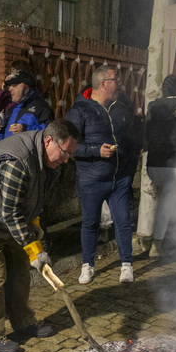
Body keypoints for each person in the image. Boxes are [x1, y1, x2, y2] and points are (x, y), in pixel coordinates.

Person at [0, 119, 79, 352]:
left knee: (19, 273)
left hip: (8, 219)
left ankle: (23, 323)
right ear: (48, 140)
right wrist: (35, 250)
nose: (66, 159)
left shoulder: (48, 160)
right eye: (65, 152)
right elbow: (8, 212)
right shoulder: (17, 161)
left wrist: (35, 229)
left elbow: (33, 199)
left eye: (71, 154)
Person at [67, 64, 142, 284]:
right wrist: (95, 151)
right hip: (91, 180)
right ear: (103, 84)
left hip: (119, 180)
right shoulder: (80, 110)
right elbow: (70, 146)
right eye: (115, 80)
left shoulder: (121, 107)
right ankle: (88, 265)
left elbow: (131, 140)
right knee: (90, 223)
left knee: (123, 222)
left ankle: (126, 265)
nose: (119, 83)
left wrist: (129, 170)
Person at [145, 74, 176, 256]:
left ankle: (159, 237)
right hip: (175, 167)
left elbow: (147, 135)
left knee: (163, 201)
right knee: (170, 204)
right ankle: (159, 244)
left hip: (153, 165)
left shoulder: (152, 106)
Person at [0, 72, 53, 142]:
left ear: (26, 87)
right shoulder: (11, 110)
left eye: (14, 85)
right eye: (10, 86)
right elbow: (2, 139)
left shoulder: (40, 106)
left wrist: (26, 129)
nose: (10, 89)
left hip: (29, 152)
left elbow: (50, 132)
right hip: (9, 151)